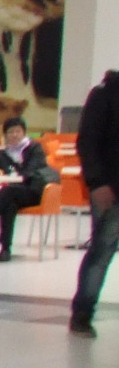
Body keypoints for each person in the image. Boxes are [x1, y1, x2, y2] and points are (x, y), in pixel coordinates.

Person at [0, 115, 52, 260]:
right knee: (8, 203)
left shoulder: (35, 148)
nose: (14, 135)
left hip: (31, 192)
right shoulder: (1, 154)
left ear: (24, 132)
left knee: (7, 192)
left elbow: (29, 173)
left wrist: (6, 182)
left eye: (18, 131)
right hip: (7, 195)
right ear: (5, 135)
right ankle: (5, 249)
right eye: (10, 132)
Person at [74, 67, 118, 336]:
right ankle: (82, 312)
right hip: (111, 188)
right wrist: (97, 182)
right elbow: (87, 142)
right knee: (101, 251)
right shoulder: (105, 93)